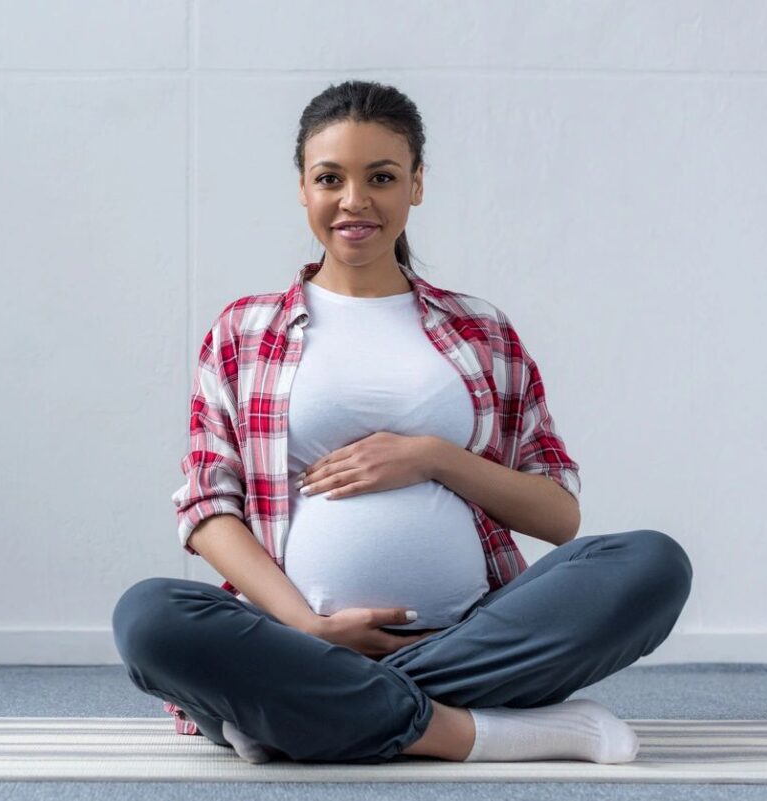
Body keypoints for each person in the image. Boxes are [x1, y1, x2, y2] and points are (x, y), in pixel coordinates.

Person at [112, 80, 692, 765]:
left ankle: (296, 712)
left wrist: (432, 457)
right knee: (148, 617)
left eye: (381, 177)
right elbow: (209, 508)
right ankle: (473, 729)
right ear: (302, 187)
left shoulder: (481, 331)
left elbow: (558, 516)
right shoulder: (244, 330)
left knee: (653, 564)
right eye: (330, 178)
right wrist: (310, 628)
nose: (354, 200)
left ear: (416, 185)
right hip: (290, 635)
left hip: (473, 633)